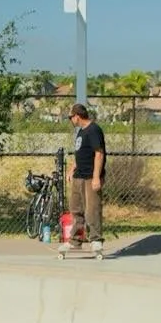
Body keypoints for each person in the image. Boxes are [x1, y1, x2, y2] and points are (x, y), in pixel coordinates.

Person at [68, 102, 106, 252]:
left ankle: (96, 239)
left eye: (70, 117)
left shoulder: (93, 130)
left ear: (77, 116)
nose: (70, 120)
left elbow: (99, 153)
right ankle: (75, 240)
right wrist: (72, 169)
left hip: (90, 176)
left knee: (92, 209)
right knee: (75, 208)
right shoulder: (81, 131)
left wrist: (96, 177)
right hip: (79, 176)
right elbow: (80, 153)